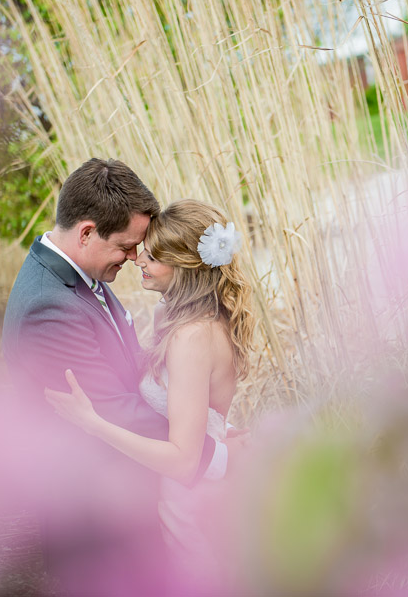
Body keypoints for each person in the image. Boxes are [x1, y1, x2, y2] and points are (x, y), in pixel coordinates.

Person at [2, 159, 233, 594]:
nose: (134, 257)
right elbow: (118, 409)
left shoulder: (80, 275)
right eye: (127, 246)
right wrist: (212, 451)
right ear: (87, 232)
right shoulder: (47, 306)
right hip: (94, 524)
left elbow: (135, 376)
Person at [45, 199, 255, 590]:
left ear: (185, 265)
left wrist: (93, 423)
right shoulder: (170, 317)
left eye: (154, 255)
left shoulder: (194, 338)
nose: (139, 259)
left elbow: (181, 460)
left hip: (189, 503)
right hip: (172, 495)